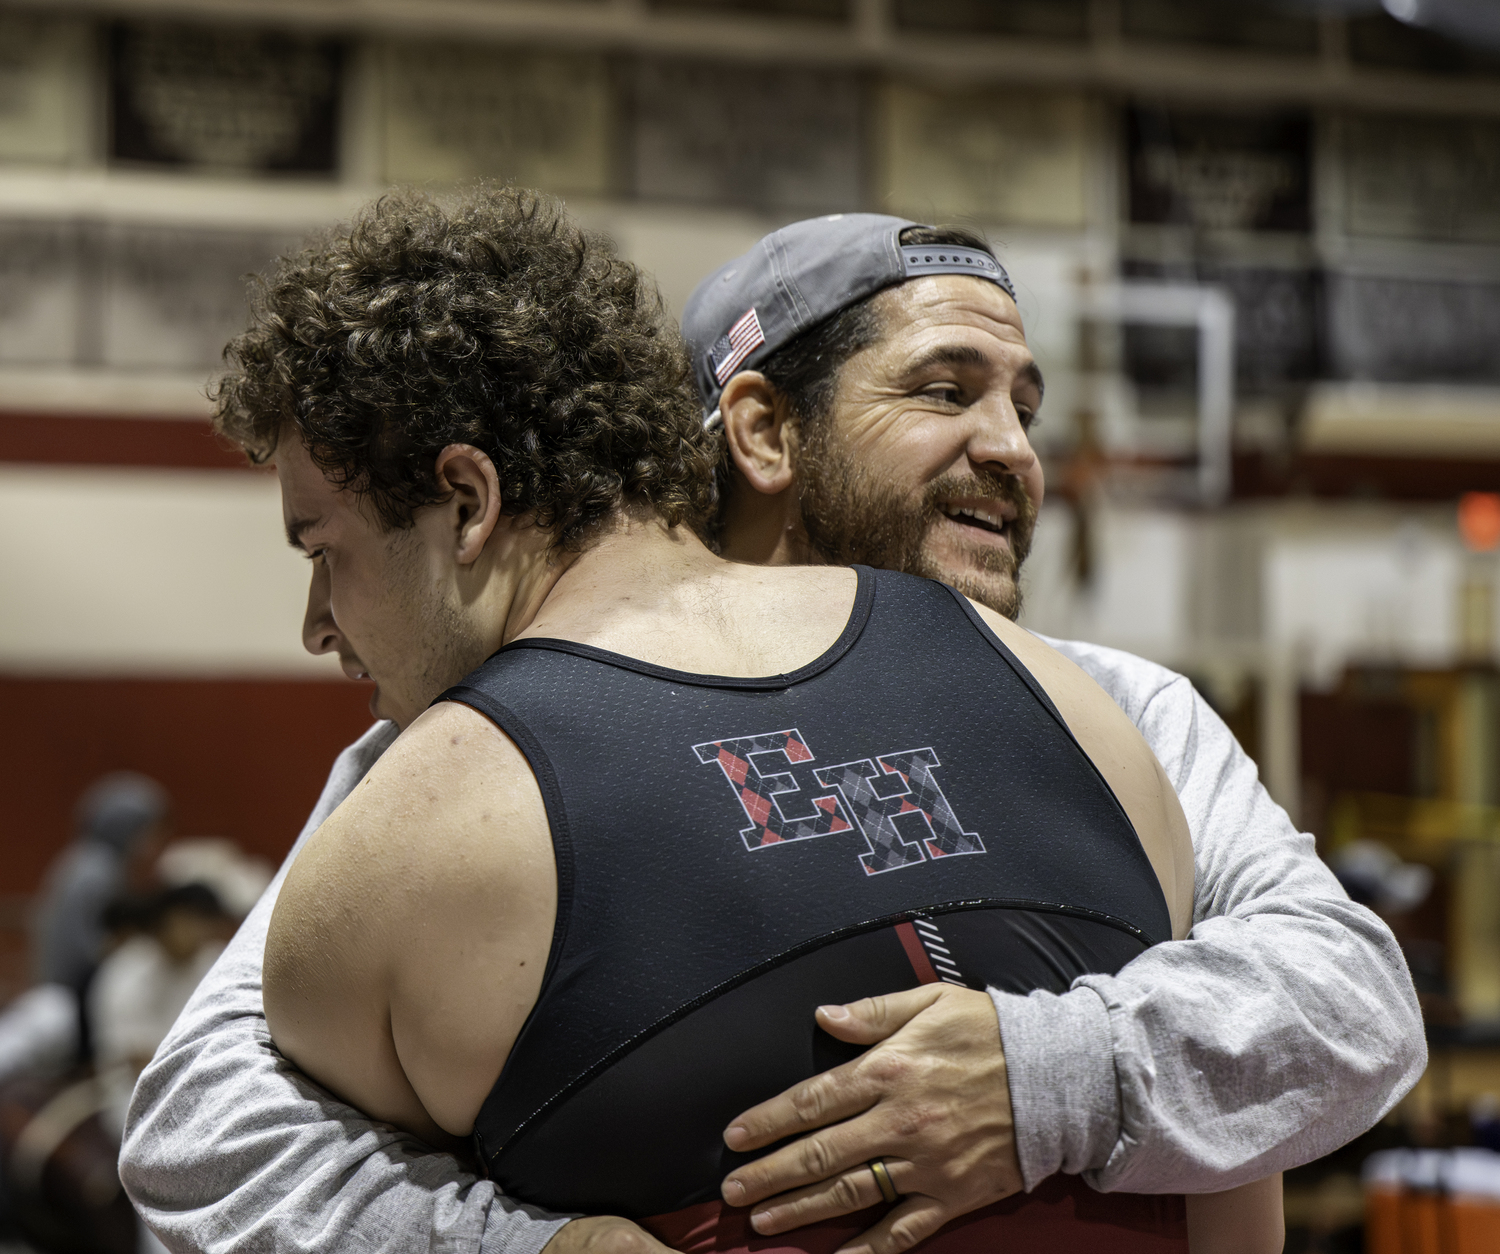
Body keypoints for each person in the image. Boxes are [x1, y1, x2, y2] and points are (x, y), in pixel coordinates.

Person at [119, 199, 1423, 1254]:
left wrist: (1039, 1076)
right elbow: (206, 1125)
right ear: (759, 431)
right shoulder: (426, 771)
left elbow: (1353, 1010)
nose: (1015, 448)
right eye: (946, 389)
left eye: (1024, 402)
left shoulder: (1109, 697)